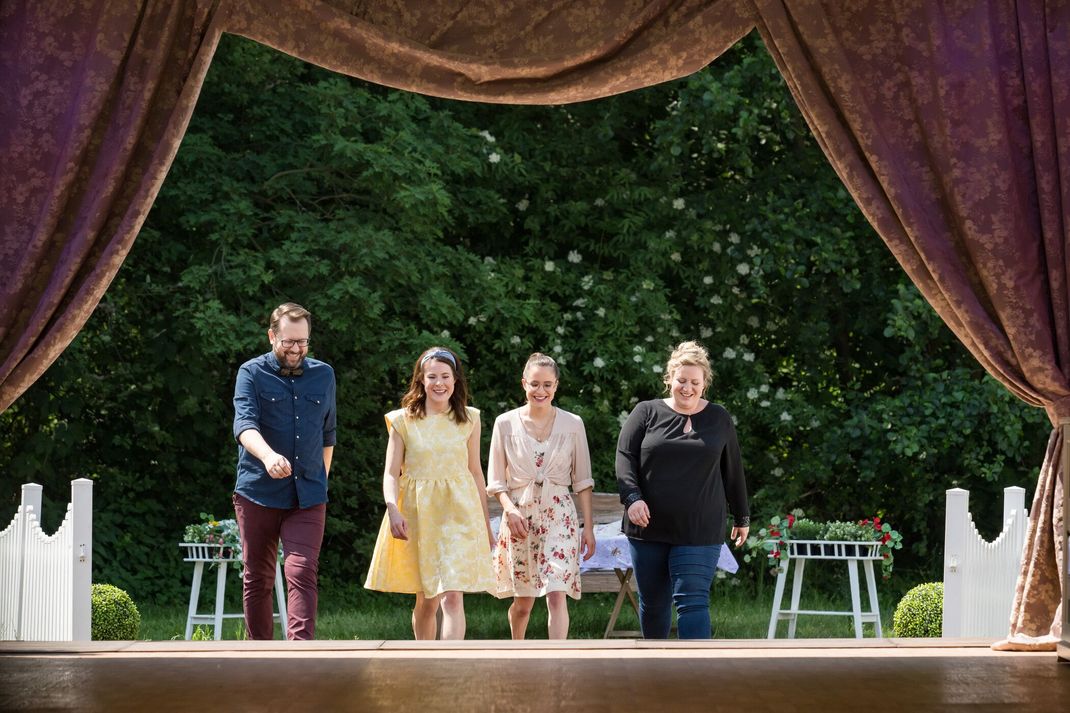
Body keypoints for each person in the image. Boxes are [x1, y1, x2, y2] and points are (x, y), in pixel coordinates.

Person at [615, 340, 749, 639]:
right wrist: (632, 499)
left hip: (700, 527)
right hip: (647, 526)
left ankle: (697, 677)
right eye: (681, 380)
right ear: (670, 379)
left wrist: (742, 518)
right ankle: (657, 672)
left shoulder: (719, 418)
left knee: (692, 601)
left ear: (704, 384)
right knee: (654, 603)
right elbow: (625, 460)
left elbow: (733, 470)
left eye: (694, 382)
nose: (687, 388)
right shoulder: (645, 412)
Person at [364, 346, 495, 639]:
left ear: (456, 380)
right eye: (432, 376)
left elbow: (475, 472)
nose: (439, 383)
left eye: (445, 376)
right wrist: (392, 509)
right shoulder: (403, 420)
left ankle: (450, 666)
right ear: (421, 381)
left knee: (453, 595)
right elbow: (390, 473)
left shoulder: (470, 419)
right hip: (420, 515)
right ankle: (425, 660)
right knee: (427, 600)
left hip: (459, 513)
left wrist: (485, 525)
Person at [231, 302, 336, 640]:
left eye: (302, 342)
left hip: (308, 494)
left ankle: (300, 655)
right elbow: (244, 425)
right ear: (271, 336)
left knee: (302, 570)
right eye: (289, 342)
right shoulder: (251, 373)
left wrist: (321, 481)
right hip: (257, 492)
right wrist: (268, 456)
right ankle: (260, 656)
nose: (296, 349)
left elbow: (328, 434)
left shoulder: (324, 374)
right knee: (258, 577)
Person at [487, 353, 596, 639]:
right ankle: (517, 650)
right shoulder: (505, 424)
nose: (541, 391)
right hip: (519, 517)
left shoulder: (573, 424)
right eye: (534, 384)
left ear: (556, 386)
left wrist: (589, 528)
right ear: (524, 384)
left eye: (547, 385)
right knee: (523, 603)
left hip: (560, 514)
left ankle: (556, 662)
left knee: (556, 592)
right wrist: (509, 510)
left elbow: (583, 481)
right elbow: (496, 482)